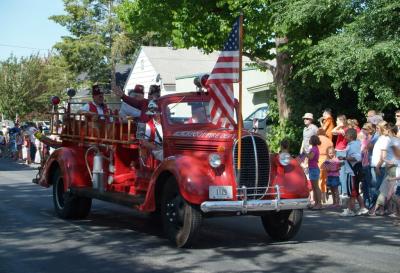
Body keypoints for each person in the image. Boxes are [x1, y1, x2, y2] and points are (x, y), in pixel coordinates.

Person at [340, 128, 369, 216]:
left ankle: (350, 210)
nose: (344, 137)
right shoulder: (355, 143)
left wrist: (344, 158)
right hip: (354, 170)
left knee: (353, 191)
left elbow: (357, 157)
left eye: (346, 135)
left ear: (350, 136)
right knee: (355, 190)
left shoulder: (353, 145)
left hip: (353, 171)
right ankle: (362, 207)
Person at [370, 121, 391, 208]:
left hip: (380, 167)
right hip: (375, 165)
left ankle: (375, 207)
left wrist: (378, 167)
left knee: (378, 188)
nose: (376, 130)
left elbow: (383, 156)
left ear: (382, 129)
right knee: (375, 187)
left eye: (378, 128)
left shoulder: (385, 139)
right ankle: (377, 207)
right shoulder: (380, 138)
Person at [332, 115, 348, 196]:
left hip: (341, 152)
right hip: (340, 151)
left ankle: (344, 191)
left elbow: (332, 131)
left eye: (337, 121)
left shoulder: (343, 130)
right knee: (341, 172)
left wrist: (339, 125)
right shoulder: (343, 129)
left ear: (341, 121)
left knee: (342, 173)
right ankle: (342, 190)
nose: (336, 122)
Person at [359, 122, 374, 208]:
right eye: (363, 129)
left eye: (365, 129)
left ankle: (371, 204)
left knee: (369, 184)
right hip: (363, 163)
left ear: (370, 130)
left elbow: (367, 150)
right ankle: (365, 204)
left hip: (368, 163)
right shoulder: (365, 138)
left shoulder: (371, 139)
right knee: (364, 185)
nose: (363, 130)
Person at [306, 135, 322, 210]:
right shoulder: (315, 148)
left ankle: (319, 204)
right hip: (313, 168)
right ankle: (316, 203)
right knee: (314, 187)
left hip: (314, 169)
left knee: (316, 187)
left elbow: (311, 157)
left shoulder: (313, 149)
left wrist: (305, 154)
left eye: (310, 139)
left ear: (312, 141)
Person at [317, 128, 333, 203]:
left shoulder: (317, 139)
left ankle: (320, 198)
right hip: (327, 160)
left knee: (319, 179)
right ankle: (324, 198)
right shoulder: (328, 140)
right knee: (325, 179)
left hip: (319, 159)